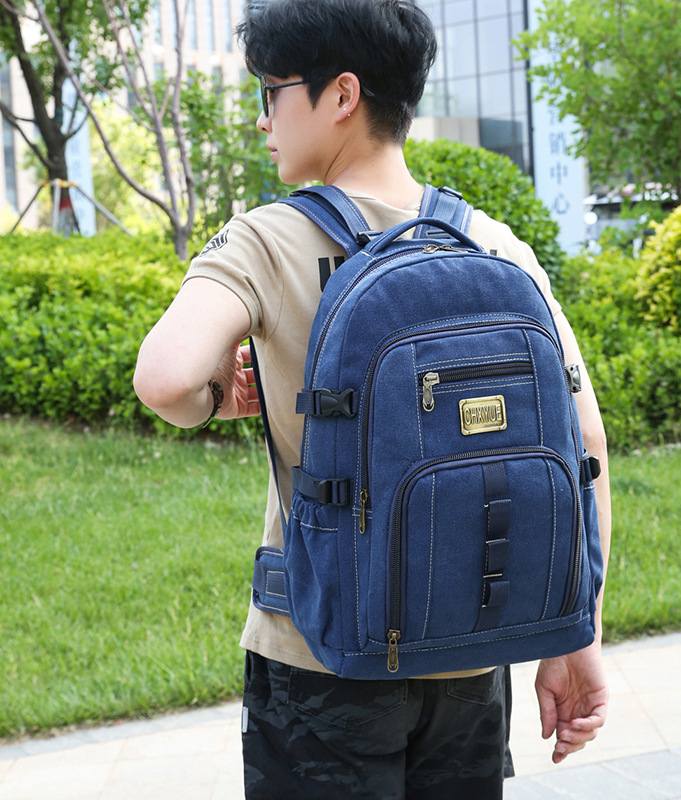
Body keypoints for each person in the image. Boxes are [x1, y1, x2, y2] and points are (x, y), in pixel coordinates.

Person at [133, 1, 612, 797]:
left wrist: (216, 398)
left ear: (342, 94)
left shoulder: (265, 241)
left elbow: (165, 380)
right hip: (470, 643)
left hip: (320, 652)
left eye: (272, 92)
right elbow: (584, 445)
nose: (263, 120)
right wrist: (578, 633)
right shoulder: (491, 242)